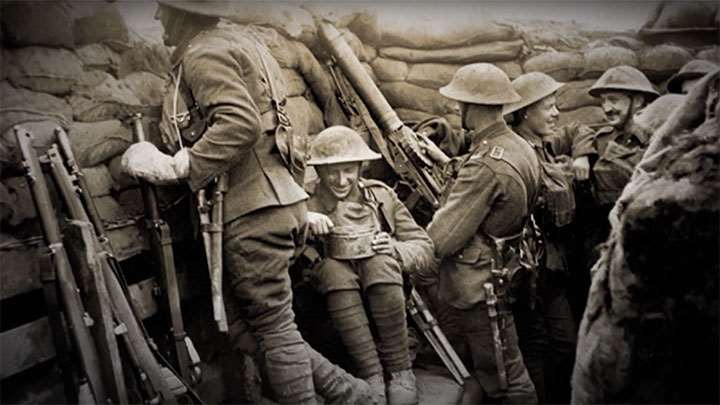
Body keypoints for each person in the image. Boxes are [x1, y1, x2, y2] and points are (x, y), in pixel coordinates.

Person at [121, 2, 372, 404]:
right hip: (276, 201)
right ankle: (354, 394)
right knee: (245, 327)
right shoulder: (245, 43)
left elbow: (241, 123)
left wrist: (182, 165)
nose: (156, 18)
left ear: (184, 12)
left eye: (164, 10)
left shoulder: (205, 53)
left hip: (251, 209)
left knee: (275, 328)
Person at [424, 63, 540, 404]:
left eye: (460, 102)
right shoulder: (519, 147)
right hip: (507, 271)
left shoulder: (487, 163)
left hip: (480, 284)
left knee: (504, 380)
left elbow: (443, 239)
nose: (457, 109)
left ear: (471, 106)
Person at [305, 126, 435, 405]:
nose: (341, 180)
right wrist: (303, 222)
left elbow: (424, 247)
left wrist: (397, 249)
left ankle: (401, 372)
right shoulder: (304, 203)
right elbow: (284, 251)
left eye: (348, 170)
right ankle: (372, 376)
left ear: (360, 168)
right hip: (328, 299)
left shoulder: (381, 197)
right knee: (333, 272)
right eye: (332, 171)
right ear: (318, 171)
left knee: (381, 263)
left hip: (384, 287)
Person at [502, 72, 586, 404]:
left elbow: (581, 129)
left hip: (552, 267)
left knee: (564, 346)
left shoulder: (546, 144)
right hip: (528, 269)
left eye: (556, 106)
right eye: (548, 107)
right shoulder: (518, 151)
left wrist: (579, 157)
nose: (556, 114)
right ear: (525, 113)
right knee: (539, 345)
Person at [576, 65, 659, 272]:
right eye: (603, 101)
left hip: (643, 239)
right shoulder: (600, 140)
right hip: (602, 241)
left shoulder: (656, 142)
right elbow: (578, 131)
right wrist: (581, 155)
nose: (606, 108)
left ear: (638, 101)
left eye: (613, 99)